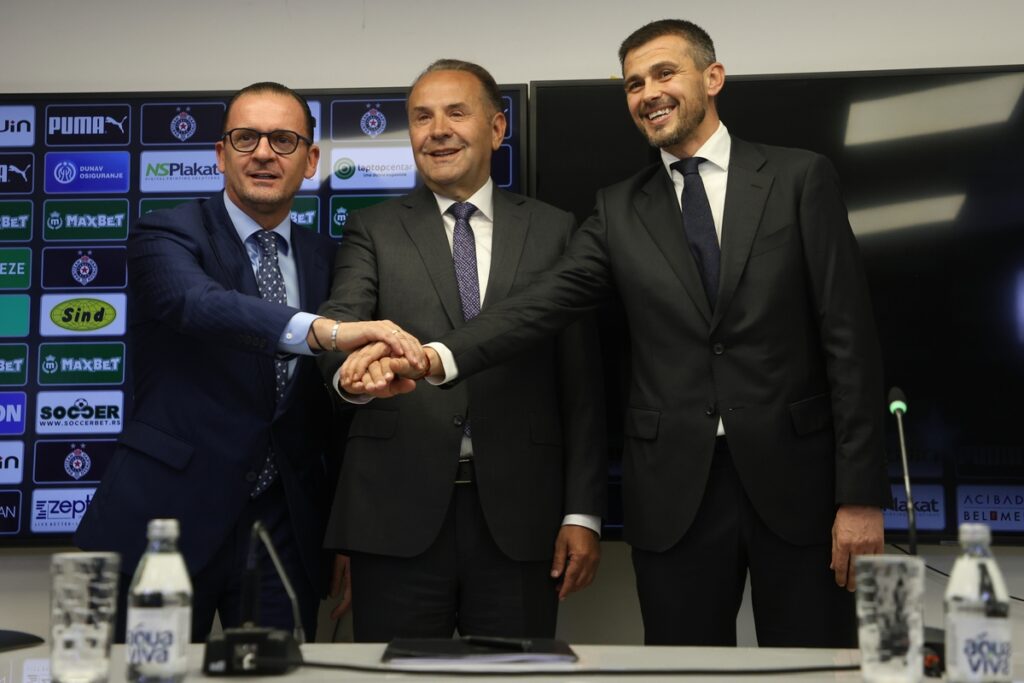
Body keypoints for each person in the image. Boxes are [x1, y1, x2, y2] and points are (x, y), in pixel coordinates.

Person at [343, 21, 889, 648]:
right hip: (674, 497)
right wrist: (439, 356)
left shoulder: (799, 179)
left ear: (712, 78)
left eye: (664, 73)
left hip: (802, 490)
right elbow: (543, 304)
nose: (647, 93)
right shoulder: (617, 208)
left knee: (816, 665)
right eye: (633, 83)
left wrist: (861, 496)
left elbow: (851, 345)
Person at [74, 82, 423, 641]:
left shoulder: (333, 258)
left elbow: (331, 408)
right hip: (164, 520)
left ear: (310, 161)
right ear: (220, 154)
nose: (264, 152)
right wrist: (326, 331)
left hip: (285, 529)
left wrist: (340, 531)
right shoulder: (164, 232)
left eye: (284, 140)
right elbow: (198, 305)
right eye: (246, 138)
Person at [317, 59, 607, 641]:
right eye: (422, 117)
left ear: (498, 130)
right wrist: (352, 375)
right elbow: (339, 330)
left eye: (456, 112)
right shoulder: (371, 228)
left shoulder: (555, 229)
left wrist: (583, 512)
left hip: (521, 518)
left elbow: (582, 382)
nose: (437, 130)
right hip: (391, 516)